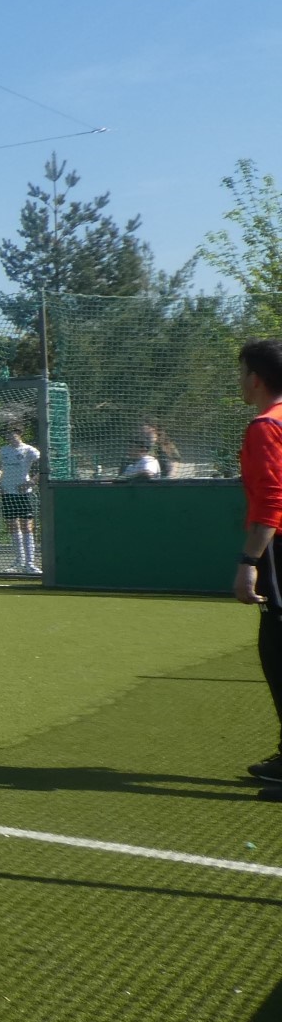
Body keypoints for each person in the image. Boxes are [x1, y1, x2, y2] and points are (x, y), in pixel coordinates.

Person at [230, 340, 282, 801]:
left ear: (257, 378)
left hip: (278, 550)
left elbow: (270, 501)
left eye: (242, 370)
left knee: (279, 650)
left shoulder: (267, 426)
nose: (240, 379)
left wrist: (249, 563)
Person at [0, 424, 43, 575]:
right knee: (13, 527)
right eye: (7, 434)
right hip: (7, 492)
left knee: (27, 527)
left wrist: (31, 482)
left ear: (19, 434)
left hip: (23, 492)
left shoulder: (29, 450)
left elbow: (44, 466)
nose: (9, 436)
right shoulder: (4, 450)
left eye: (12, 433)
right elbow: (0, 467)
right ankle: (18, 561)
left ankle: (30, 564)